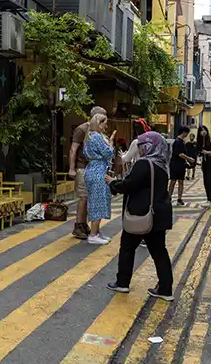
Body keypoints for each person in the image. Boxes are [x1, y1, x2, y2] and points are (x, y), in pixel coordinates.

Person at [105, 131, 174, 299]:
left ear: (149, 147)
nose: (140, 150)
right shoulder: (163, 165)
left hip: (141, 215)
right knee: (159, 251)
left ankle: (122, 283)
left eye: (142, 146)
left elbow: (129, 185)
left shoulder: (144, 164)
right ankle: (165, 289)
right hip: (159, 215)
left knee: (127, 247)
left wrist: (112, 183)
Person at [68, 106, 107, 240]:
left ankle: (85, 225)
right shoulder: (82, 129)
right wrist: (72, 168)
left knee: (91, 198)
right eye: (102, 118)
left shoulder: (97, 131)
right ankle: (79, 225)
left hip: (93, 168)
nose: (104, 122)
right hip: (83, 168)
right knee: (84, 197)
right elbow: (73, 150)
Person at [83, 113, 115, 245]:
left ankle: (96, 232)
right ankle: (93, 234)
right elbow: (108, 153)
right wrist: (111, 143)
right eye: (104, 123)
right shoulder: (96, 136)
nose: (105, 126)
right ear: (98, 123)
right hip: (98, 171)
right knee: (98, 202)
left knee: (99, 201)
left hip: (95, 170)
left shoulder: (91, 136)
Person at [168, 126, 194, 206]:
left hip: (180, 164)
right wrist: (189, 159)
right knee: (173, 181)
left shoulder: (181, 141)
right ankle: (169, 197)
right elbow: (180, 154)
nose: (187, 135)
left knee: (180, 181)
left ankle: (179, 198)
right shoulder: (178, 142)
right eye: (187, 133)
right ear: (184, 132)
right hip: (175, 164)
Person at [198, 126, 211, 207]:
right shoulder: (200, 142)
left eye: (204, 130)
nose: (203, 132)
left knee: (210, 181)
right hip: (204, 163)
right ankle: (208, 199)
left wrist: (208, 152)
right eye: (201, 130)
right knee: (206, 181)